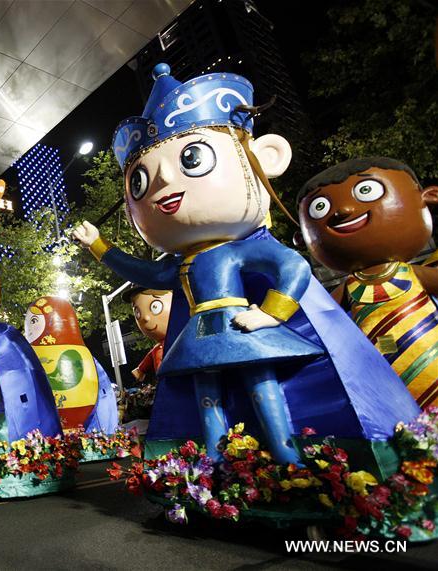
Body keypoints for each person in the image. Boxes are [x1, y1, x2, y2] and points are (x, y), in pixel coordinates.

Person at [73, 63, 420, 464]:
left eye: (191, 158)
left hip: (240, 326)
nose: (164, 181)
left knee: (262, 387)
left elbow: (292, 267)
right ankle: (217, 459)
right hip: (200, 336)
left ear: (265, 157)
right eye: (141, 181)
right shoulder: (184, 264)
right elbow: (147, 273)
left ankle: (286, 456)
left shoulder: (235, 250)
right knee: (207, 398)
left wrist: (271, 313)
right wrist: (100, 246)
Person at [296, 157, 438, 408]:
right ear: (302, 239)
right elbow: (319, 319)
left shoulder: (410, 274)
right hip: (381, 376)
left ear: (428, 197)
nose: (343, 210)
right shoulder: (351, 288)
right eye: (320, 207)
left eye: (366, 191)